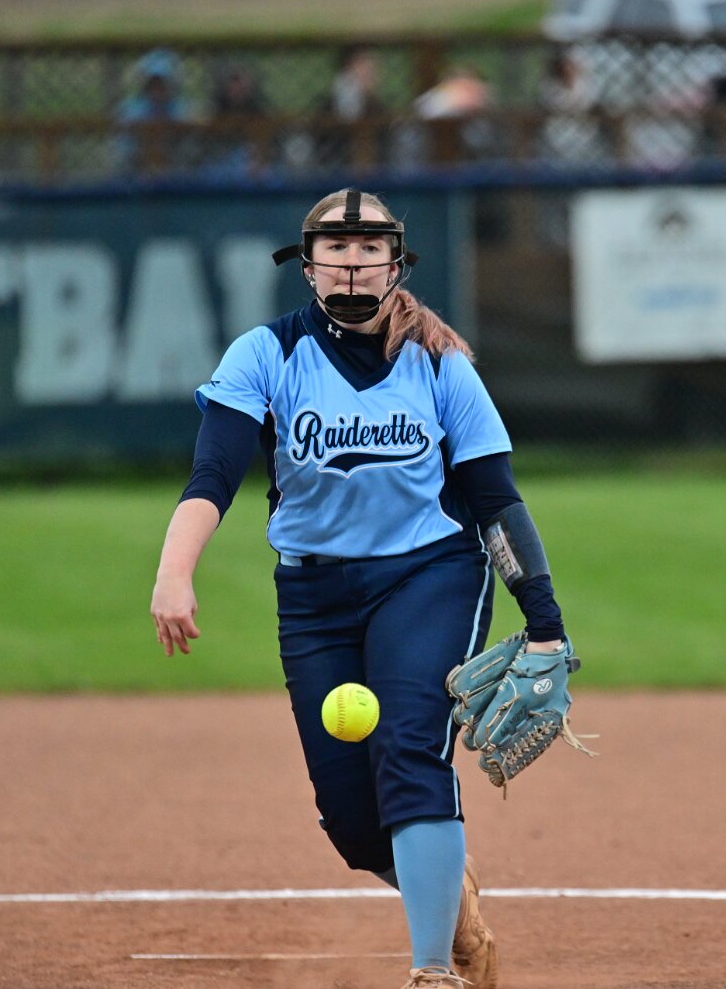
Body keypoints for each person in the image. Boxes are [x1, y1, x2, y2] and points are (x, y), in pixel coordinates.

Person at [149, 188, 577, 989]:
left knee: (410, 748)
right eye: (336, 249)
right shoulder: (266, 354)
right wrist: (175, 571)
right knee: (350, 819)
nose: (352, 264)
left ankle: (432, 969)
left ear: (395, 263)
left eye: (369, 248)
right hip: (315, 597)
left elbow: (496, 501)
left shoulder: (440, 363)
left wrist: (545, 622)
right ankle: (454, 903)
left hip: (430, 575)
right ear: (308, 266)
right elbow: (214, 472)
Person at [116, 48, 197, 175]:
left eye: (162, 83)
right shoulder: (132, 109)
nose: (157, 89)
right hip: (135, 168)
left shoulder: (181, 108)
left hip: (175, 165)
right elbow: (124, 146)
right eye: (153, 83)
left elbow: (189, 138)